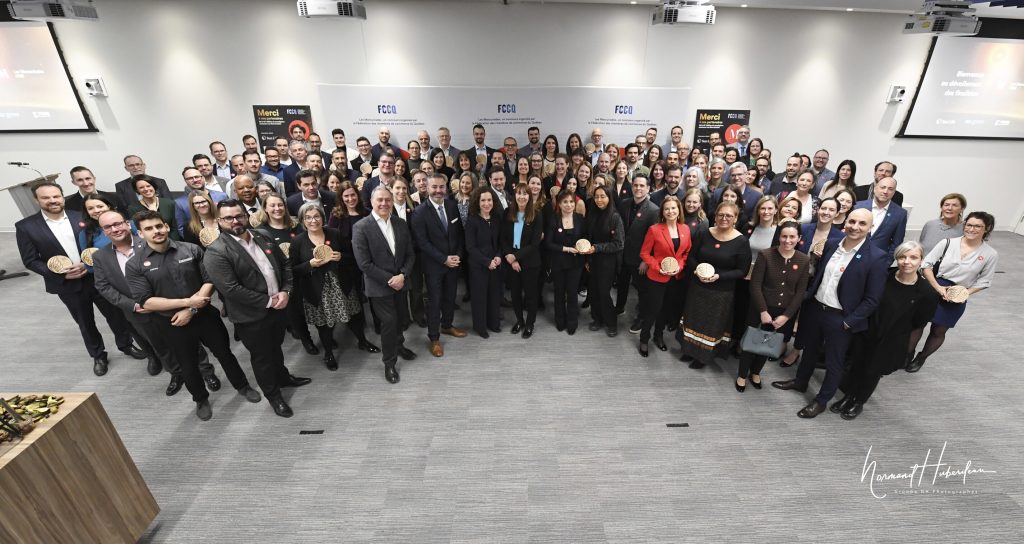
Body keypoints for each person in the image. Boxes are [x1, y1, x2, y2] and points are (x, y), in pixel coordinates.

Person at [126, 210, 261, 421]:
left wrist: (192, 310)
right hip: (173, 323)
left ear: (166, 226)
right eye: (149, 229)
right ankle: (200, 399)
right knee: (188, 364)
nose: (156, 231)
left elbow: (209, 280)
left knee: (225, 354)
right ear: (141, 234)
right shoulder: (135, 264)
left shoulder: (191, 249)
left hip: (205, 316)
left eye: (159, 226)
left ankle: (242, 386)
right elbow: (146, 301)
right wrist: (188, 303)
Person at [771, 209, 889, 419]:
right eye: (852, 221)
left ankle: (821, 401)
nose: (855, 227)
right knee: (809, 350)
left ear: (870, 228)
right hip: (816, 308)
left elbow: (872, 299)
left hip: (841, 318)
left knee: (834, 362)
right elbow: (819, 276)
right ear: (845, 222)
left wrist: (849, 322)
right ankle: (800, 381)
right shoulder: (832, 244)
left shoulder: (877, 257)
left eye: (862, 223)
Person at [15, 182, 142, 376]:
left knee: (115, 314)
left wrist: (87, 265)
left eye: (56, 196)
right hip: (66, 283)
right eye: (46, 197)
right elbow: (30, 260)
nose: (52, 200)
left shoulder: (82, 217)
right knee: (84, 321)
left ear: (62, 196)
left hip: (96, 276)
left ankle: (126, 344)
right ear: (36, 200)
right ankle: (98, 355)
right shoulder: (26, 226)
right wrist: (60, 273)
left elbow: (98, 243)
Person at [203, 200, 311, 418]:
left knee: (276, 348)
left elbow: (285, 264)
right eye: (228, 218)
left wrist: (286, 291)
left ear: (246, 216)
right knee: (262, 358)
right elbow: (231, 289)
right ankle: (274, 396)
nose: (235, 221)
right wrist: (269, 301)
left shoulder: (262, 235)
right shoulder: (216, 252)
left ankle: (283, 377)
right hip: (251, 316)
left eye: (239, 216)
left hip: (278, 307)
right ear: (219, 221)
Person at [832, 241, 940, 419]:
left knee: (872, 371)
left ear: (921, 260)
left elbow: (920, 321)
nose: (907, 262)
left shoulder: (927, 292)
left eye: (913, 257)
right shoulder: (884, 276)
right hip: (867, 330)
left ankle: (858, 402)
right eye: (902, 257)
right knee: (857, 364)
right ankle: (848, 396)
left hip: (891, 338)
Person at [92, 210, 185, 391]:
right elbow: (103, 286)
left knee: (185, 340)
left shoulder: (151, 242)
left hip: (168, 304)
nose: (115, 229)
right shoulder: (100, 257)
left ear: (127, 224)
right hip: (137, 312)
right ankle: (176, 373)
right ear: (104, 232)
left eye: (118, 223)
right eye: (108, 227)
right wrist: (133, 305)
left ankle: (204, 370)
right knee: (158, 345)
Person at [907, 211, 998, 373]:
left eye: (978, 226)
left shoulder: (990, 254)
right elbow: (926, 265)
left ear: (987, 228)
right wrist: (938, 288)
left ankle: (921, 358)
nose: (971, 229)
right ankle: (907, 355)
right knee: (917, 324)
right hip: (934, 286)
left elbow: (985, 281)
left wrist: (965, 293)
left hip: (958, 293)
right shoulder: (948, 243)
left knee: (938, 330)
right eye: (969, 225)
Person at [290, 202, 377, 370]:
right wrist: (309, 264)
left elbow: (353, 256)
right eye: (308, 218)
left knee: (354, 316)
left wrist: (341, 257)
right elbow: (293, 270)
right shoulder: (297, 242)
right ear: (302, 220)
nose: (313, 221)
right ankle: (328, 353)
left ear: (322, 217)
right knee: (324, 324)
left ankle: (362, 341)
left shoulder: (334, 233)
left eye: (316, 216)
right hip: (316, 289)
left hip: (340, 284)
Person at [351, 186, 418, 384]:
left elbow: (410, 254)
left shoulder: (400, 223)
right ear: (371, 202)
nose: (384, 203)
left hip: (401, 282)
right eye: (379, 200)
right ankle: (389, 362)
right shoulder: (361, 227)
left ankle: (399, 345)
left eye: (387, 200)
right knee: (389, 323)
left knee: (401, 319)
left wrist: (402, 275)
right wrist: (391, 279)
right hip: (379, 286)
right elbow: (364, 264)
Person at [736, 222, 809, 392]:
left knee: (768, 344)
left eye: (792, 237)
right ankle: (742, 375)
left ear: (799, 238)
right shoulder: (766, 255)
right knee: (751, 342)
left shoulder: (803, 260)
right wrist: (763, 311)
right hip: (760, 307)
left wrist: (786, 316)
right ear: (779, 237)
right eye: (784, 236)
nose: (788, 240)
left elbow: (800, 292)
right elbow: (755, 285)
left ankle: (756, 372)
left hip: (783, 312)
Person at [678, 202, 752, 368]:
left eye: (729, 215)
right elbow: (691, 257)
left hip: (721, 291)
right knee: (693, 318)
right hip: (698, 286)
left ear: (735, 219)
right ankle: (689, 350)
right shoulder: (704, 233)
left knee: (710, 324)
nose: (724, 218)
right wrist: (697, 270)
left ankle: (702, 357)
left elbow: (742, 270)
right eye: (721, 215)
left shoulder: (741, 241)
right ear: (716, 216)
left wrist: (719, 276)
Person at [411, 173, 468, 356]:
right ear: (427, 188)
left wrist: (457, 255)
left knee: (450, 297)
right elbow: (422, 243)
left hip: (453, 264)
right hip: (434, 266)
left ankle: (447, 325)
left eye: (441, 187)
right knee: (435, 302)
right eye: (434, 187)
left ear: (446, 187)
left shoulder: (452, 206)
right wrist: (444, 259)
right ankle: (434, 338)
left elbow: (459, 234)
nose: (438, 190)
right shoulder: (419, 212)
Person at [636, 196, 691, 356]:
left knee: (665, 310)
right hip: (657, 277)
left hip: (675, 277)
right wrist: (658, 267)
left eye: (673, 208)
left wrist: (679, 266)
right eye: (667, 208)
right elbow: (644, 253)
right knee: (653, 309)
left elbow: (686, 253)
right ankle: (644, 339)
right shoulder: (654, 229)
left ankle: (658, 336)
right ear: (662, 212)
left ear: (679, 210)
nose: (670, 211)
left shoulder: (685, 229)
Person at [499, 183, 544, 339]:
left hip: (530, 262)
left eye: (525, 194)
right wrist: (510, 258)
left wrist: (516, 257)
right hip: (512, 261)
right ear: (515, 196)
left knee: (531, 295)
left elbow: (535, 243)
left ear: (529, 196)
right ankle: (520, 321)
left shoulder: (537, 215)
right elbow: (503, 238)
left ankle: (530, 323)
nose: (522, 197)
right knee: (515, 294)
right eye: (519, 193)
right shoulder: (507, 213)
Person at [616, 175, 660, 332]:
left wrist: (646, 261)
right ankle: (619, 307)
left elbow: (655, 239)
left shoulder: (654, 210)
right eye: (635, 185)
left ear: (648, 188)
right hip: (623, 254)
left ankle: (641, 318)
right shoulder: (624, 203)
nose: (638, 188)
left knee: (642, 290)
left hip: (640, 258)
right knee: (621, 284)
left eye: (642, 186)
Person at [581, 186, 624, 337]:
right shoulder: (592, 214)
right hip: (592, 259)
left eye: (603, 196)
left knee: (604, 293)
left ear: (609, 198)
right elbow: (588, 237)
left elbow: (619, 244)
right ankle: (597, 319)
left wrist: (597, 248)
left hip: (608, 262)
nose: (599, 200)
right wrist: (587, 258)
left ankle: (611, 323)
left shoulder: (615, 217)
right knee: (593, 292)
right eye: (596, 196)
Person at [545, 190, 586, 335]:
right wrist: (567, 249)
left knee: (572, 293)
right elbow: (548, 243)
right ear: (559, 204)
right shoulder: (553, 219)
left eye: (571, 202)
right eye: (565, 202)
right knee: (559, 292)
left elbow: (585, 239)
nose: (569, 205)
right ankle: (560, 320)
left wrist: (583, 248)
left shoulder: (580, 219)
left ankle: (572, 322)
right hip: (558, 262)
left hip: (576, 263)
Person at [464, 187, 504, 338]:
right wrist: (487, 262)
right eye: (483, 200)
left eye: (489, 200)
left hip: (495, 264)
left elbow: (501, 242)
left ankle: (494, 323)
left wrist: (499, 256)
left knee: (494, 295)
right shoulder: (472, 220)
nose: (487, 203)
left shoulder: (497, 218)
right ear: (477, 202)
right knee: (480, 297)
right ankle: (480, 327)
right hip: (478, 266)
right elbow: (470, 247)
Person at [854, 176, 906, 261]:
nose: (885, 191)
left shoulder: (900, 214)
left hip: (877, 261)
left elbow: (897, 243)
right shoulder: (857, 206)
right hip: (851, 255)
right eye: (882, 187)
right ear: (875, 189)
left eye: (890, 189)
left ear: (894, 192)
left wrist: (886, 262)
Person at [127, 175, 179, 240]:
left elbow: (175, 228)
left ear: (153, 186)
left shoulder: (169, 203)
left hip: (172, 241)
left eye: (148, 186)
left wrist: (172, 243)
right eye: (141, 187)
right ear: (137, 190)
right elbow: (138, 231)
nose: (146, 189)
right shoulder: (133, 208)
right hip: (149, 242)